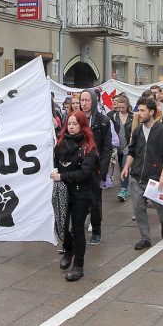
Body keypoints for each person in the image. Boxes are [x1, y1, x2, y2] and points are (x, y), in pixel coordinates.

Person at [50, 111, 99, 282]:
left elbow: (84, 173)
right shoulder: (61, 143)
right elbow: (55, 163)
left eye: (75, 124)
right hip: (63, 191)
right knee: (60, 226)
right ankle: (68, 248)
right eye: (69, 123)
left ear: (82, 125)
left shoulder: (89, 147)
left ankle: (79, 265)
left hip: (81, 192)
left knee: (77, 228)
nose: (71, 127)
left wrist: (62, 177)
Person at [122, 97, 163, 250]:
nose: (139, 113)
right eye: (138, 110)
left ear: (151, 112)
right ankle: (145, 237)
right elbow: (131, 151)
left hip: (155, 177)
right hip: (137, 176)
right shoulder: (137, 131)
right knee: (138, 208)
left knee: (160, 207)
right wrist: (126, 167)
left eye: (142, 110)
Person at [79, 89, 113, 244]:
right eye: (82, 100)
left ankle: (97, 231)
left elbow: (107, 147)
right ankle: (77, 228)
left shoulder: (103, 121)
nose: (84, 103)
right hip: (79, 167)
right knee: (78, 199)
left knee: (95, 201)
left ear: (93, 101)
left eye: (87, 100)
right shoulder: (76, 119)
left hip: (95, 167)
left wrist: (103, 170)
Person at [108, 94, 133, 202]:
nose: (121, 109)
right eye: (119, 107)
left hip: (128, 145)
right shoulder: (114, 117)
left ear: (127, 106)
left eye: (123, 107)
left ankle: (123, 189)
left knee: (124, 167)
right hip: (118, 147)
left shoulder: (132, 117)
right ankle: (125, 186)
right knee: (120, 165)